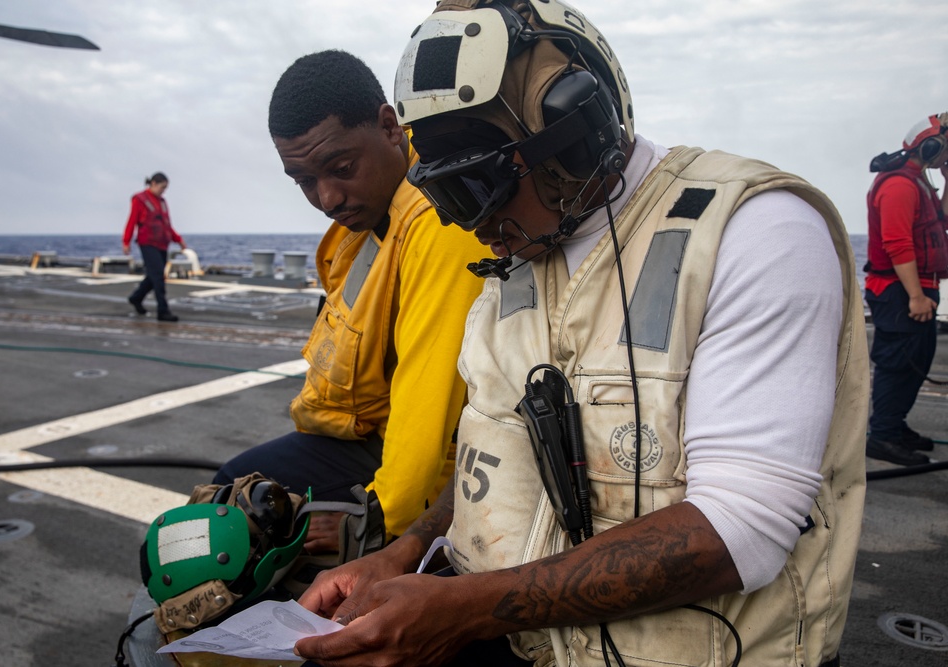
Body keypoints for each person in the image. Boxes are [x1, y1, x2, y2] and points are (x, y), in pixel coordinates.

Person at [293, 3, 868, 667]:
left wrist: (469, 605)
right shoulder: (517, 250)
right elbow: (497, 454)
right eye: (446, 195)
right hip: (504, 633)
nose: (466, 222)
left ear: (577, 133)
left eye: (480, 184)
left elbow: (745, 526)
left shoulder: (755, 229)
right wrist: (409, 551)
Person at [213, 50, 486, 559]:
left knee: (239, 526)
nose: (328, 198)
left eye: (341, 168)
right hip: (363, 436)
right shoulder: (371, 219)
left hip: (437, 466)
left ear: (389, 127)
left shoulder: (439, 225)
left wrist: (376, 523)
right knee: (232, 494)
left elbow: (425, 408)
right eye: (305, 182)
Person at [863, 113, 948, 466]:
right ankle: (882, 435)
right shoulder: (899, 185)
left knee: (917, 362)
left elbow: (942, 222)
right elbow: (898, 244)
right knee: (899, 364)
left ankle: (894, 426)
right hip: (900, 292)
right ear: (930, 146)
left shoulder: (920, 183)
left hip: (918, 289)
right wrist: (915, 295)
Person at [122, 171, 185, 322]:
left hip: (162, 243)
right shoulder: (140, 200)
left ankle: (136, 298)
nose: (163, 191)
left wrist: (178, 239)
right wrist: (126, 241)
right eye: (162, 187)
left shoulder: (162, 202)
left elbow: (166, 224)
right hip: (147, 243)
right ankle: (163, 311)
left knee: (153, 276)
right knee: (158, 277)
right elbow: (132, 221)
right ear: (153, 184)